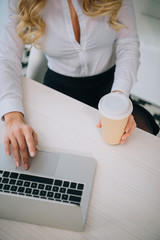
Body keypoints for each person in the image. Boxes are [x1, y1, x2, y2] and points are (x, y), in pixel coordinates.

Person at [0, 0, 159, 170]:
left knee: (136, 150)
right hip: (58, 92)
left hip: (110, 91)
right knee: (56, 160)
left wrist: (119, 99)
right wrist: (13, 117)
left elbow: (128, 45)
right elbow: (6, 58)